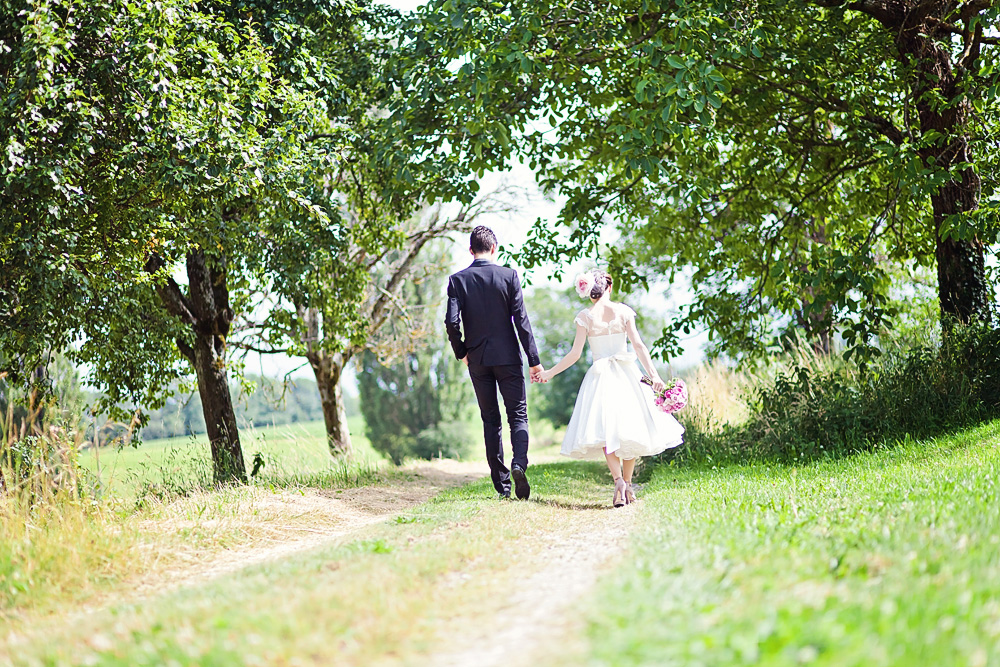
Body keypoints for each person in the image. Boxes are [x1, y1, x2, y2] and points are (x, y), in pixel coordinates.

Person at [536, 269, 684, 507]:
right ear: (609, 288)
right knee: (630, 427)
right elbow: (638, 345)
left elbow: (574, 354)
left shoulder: (585, 316)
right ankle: (627, 483)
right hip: (628, 374)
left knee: (607, 432)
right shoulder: (623, 311)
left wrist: (549, 373)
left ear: (588, 291)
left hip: (600, 377)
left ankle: (618, 482)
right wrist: (653, 376)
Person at [445, 226, 544, 500]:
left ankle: (502, 487)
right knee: (518, 416)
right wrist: (534, 360)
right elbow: (521, 320)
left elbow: (452, 323)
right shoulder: (509, 276)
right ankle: (519, 464)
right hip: (509, 358)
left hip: (478, 360)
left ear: (470, 251)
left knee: (491, 420)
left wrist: (462, 352)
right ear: (494, 248)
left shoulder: (457, 280)